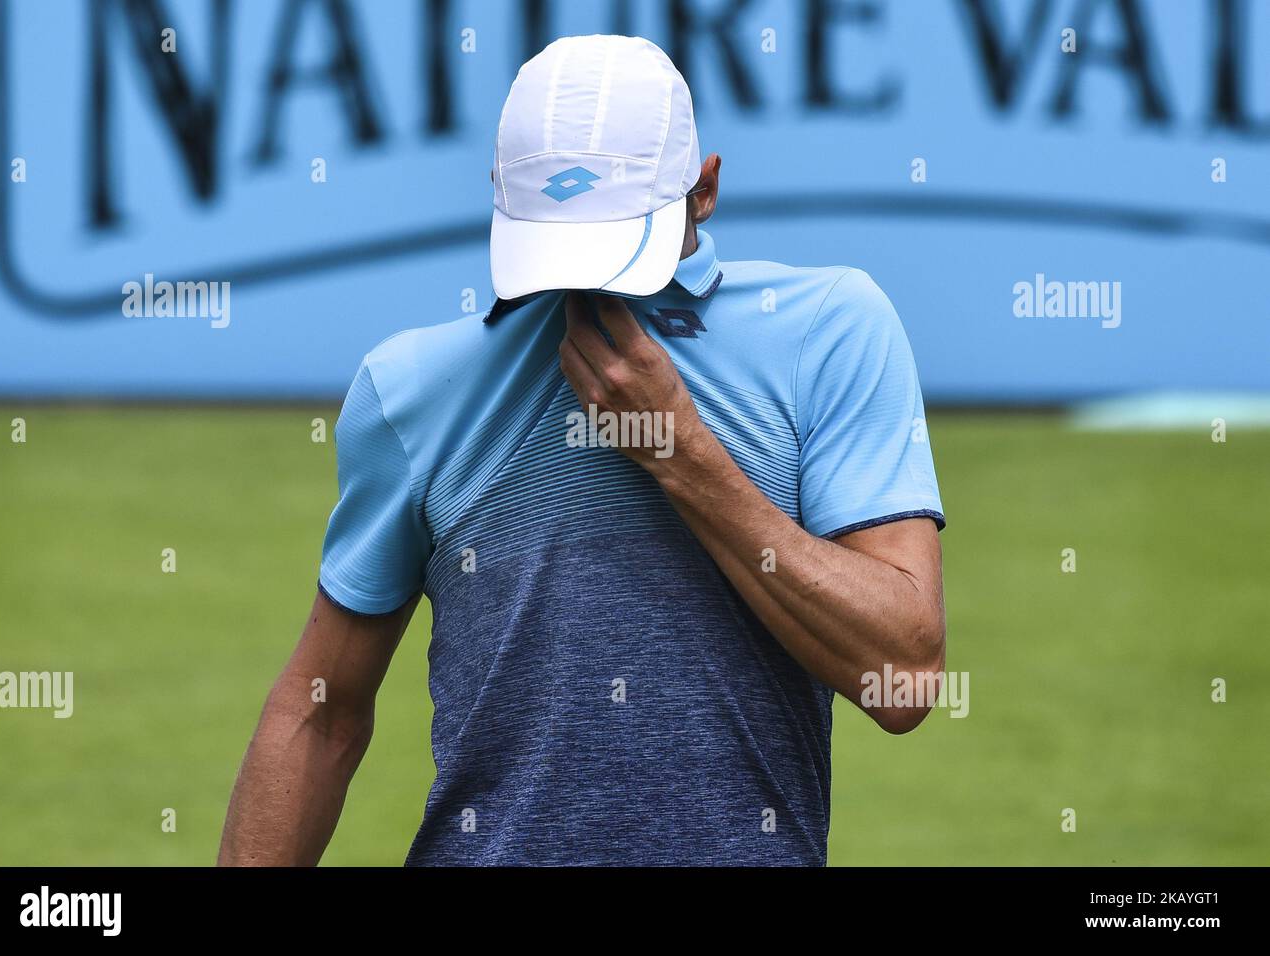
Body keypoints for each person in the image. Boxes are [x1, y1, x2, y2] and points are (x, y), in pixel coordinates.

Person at [220, 34, 946, 867]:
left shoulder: (831, 331)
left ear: (703, 191)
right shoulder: (409, 388)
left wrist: (685, 457)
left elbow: (908, 672)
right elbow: (320, 712)